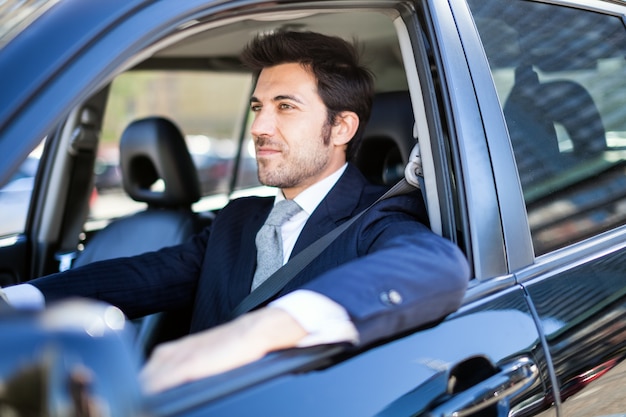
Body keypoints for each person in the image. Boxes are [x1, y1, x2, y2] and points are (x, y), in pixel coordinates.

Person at [2, 31, 470, 393]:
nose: (260, 127)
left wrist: (257, 332)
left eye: (285, 107)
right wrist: (19, 302)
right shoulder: (238, 218)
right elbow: (145, 274)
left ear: (341, 126)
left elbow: (437, 265)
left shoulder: (377, 218)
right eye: (257, 107)